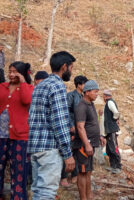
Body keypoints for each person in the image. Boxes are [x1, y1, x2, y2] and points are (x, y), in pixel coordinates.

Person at [28, 51, 76, 199]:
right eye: (71, 67)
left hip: (35, 148)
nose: (72, 71)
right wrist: (68, 154)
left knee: (38, 191)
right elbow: (59, 122)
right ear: (64, 67)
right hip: (49, 149)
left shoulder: (40, 86)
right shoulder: (57, 85)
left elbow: (31, 117)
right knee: (47, 194)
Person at [0, 61, 34, 200]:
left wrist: (23, 82)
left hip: (19, 137)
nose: (11, 74)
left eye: (15, 71)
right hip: (1, 136)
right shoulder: (2, 86)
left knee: (19, 171)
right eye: (10, 71)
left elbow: (26, 101)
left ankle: (18, 197)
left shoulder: (29, 88)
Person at [73, 80, 106, 200]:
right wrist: (87, 144)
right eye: (95, 92)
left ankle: (89, 196)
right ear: (87, 92)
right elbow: (80, 127)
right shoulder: (81, 106)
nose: (97, 94)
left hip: (91, 143)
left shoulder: (90, 104)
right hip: (83, 145)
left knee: (88, 171)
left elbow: (92, 123)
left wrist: (100, 136)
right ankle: (83, 197)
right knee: (82, 172)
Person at [60, 75, 88, 187]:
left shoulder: (83, 97)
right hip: (71, 129)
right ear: (79, 85)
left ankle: (75, 174)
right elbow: (66, 112)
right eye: (84, 84)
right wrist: (71, 126)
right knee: (68, 153)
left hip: (80, 129)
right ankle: (64, 177)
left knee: (77, 153)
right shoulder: (71, 96)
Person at [102, 89, 122, 174]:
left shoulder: (109, 102)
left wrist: (114, 119)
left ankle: (118, 166)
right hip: (109, 129)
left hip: (112, 129)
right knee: (109, 149)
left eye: (103, 96)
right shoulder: (109, 103)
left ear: (105, 96)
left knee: (114, 148)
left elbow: (116, 113)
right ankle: (112, 166)